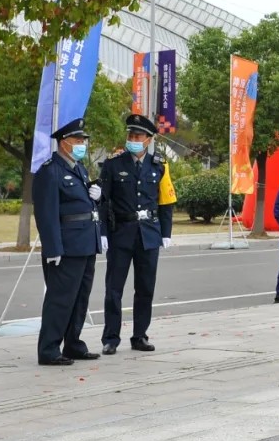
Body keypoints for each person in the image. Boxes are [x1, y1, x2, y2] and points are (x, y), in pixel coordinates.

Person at [98, 114, 177, 354]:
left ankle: (140, 335)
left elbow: (166, 202)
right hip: (120, 232)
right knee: (114, 289)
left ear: (148, 139)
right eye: (130, 135)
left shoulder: (159, 165)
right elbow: (103, 201)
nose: (133, 139)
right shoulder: (113, 164)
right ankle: (111, 338)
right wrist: (102, 232)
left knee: (145, 288)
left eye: (138, 136)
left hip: (149, 234)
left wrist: (166, 232)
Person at [32, 118, 102, 366]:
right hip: (66, 246)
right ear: (64, 143)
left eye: (83, 140)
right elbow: (46, 213)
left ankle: (73, 344)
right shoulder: (50, 171)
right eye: (78, 140)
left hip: (86, 242)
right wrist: (52, 247)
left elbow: (83, 205)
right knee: (60, 299)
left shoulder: (79, 168)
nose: (82, 144)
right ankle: (49, 349)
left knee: (80, 298)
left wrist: (98, 199)